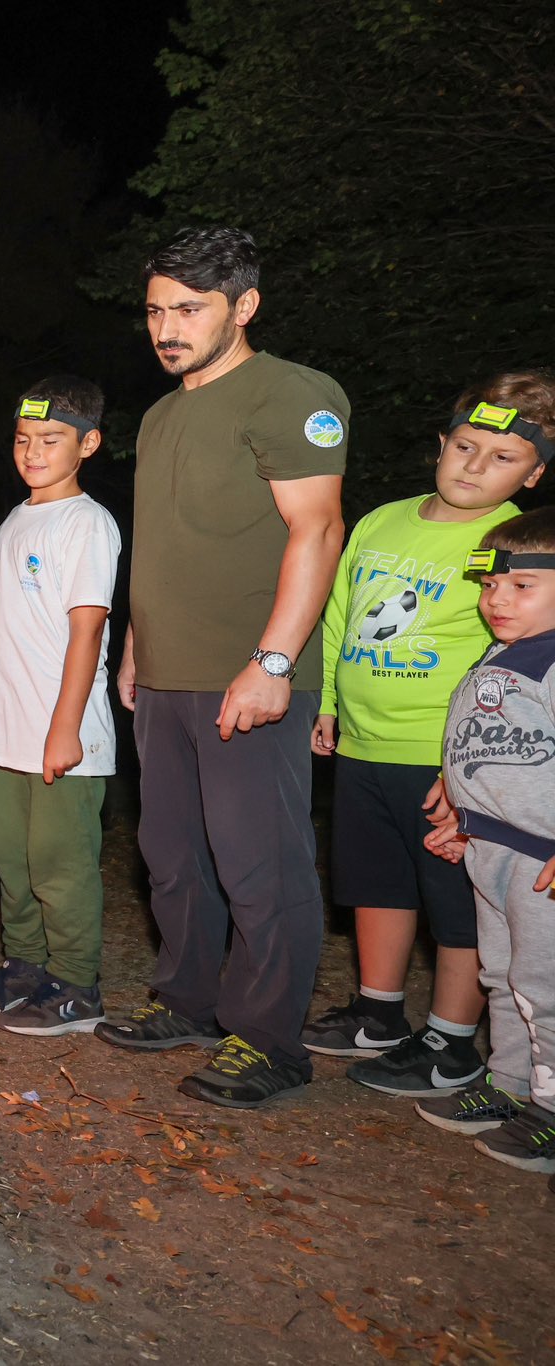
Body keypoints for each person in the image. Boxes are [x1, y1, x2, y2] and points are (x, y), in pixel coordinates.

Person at [97, 227, 349, 1109]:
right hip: (165, 676)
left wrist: (274, 660)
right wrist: (133, 645)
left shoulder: (291, 395)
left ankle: (270, 1039)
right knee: (171, 853)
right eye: (157, 310)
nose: (167, 328)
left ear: (243, 306)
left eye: (189, 310)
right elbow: (162, 546)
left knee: (260, 862)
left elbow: (318, 529)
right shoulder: (164, 413)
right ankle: (188, 1000)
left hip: (249, 672)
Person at [303, 376, 550, 1095]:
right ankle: (379, 1012)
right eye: (465, 447)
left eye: (501, 458)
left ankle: (452, 1038)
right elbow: (343, 609)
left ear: (532, 475)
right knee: (375, 880)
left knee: (457, 900)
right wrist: (327, 701)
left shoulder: (512, 545)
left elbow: (509, 647)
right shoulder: (380, 521)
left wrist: (465, 765)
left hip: (444, 756)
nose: (474, 466)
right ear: (440, 445)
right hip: (365, 744)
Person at [0, 379, 121, 1035]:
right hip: (5, 730)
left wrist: (64, 729)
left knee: (60, 866)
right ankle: (27, 966)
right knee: (12, 857)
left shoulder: (86, 522)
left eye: (51, 440)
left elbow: (86, 630)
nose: (33, 451)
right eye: (24, 440)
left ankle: (78, 986)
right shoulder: (17, 517)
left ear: (87, 443)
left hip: (61, 732)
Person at [420, 506, 555, 1175]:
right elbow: (493, 752)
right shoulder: (501, 653)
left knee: (546, 985)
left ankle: (552, 1115)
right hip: (493, 852)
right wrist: (465, 814)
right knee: (502, 977)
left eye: (521, 586)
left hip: (543, 865)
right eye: (489, 584)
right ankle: (510, 1089)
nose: (497, 598)